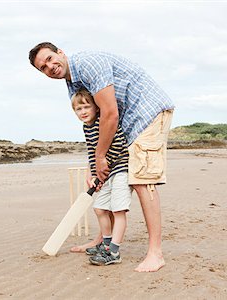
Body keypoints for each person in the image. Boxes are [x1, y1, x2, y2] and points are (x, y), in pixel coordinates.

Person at [29, 42, 175, 272]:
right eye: (43, 68)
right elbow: (94, 125)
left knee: (142, 181)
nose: (50, 67)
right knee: (104, 188)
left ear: (60, 53)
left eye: (49, 59)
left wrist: (100, 156)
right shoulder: (72, 83)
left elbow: (109, 113)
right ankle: (103, 240)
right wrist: (94, 166)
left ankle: (155, 253)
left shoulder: (88, 64)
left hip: (147, 113)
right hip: (124, 125)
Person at [71, 88, 132, 266]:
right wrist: (93, 172)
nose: (82, 112)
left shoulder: (103, 122)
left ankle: (113, 252)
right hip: (105, 172)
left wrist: (103, 168)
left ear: (96, 107)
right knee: (99, 208)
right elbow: (93, 151)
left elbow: (119, 144)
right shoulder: (87, 127)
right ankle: (105, 244)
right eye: (78, 109)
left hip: (120, 169)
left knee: (118, 210)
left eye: (86, 107)